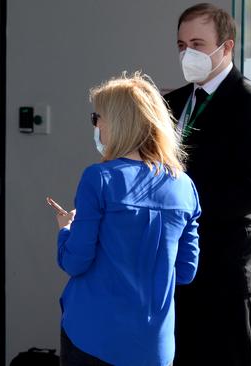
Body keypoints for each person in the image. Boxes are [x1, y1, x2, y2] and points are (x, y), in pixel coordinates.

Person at [54, 72, 201, 366]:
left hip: (93, 337)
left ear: (118, 122)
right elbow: (185, 271)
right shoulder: (184, 185)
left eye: (97, 117)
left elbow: (74, 261)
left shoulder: (99, 178)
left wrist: (65, 230)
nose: (95, 126)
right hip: (154, 347)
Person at [163, 4, 251, 366]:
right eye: (182, 45)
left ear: (226, 48)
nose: (188, 53)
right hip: (179, 266)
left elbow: (250, 190)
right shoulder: (172, 102)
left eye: (198, 43)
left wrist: (181, 203)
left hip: (230, 266)